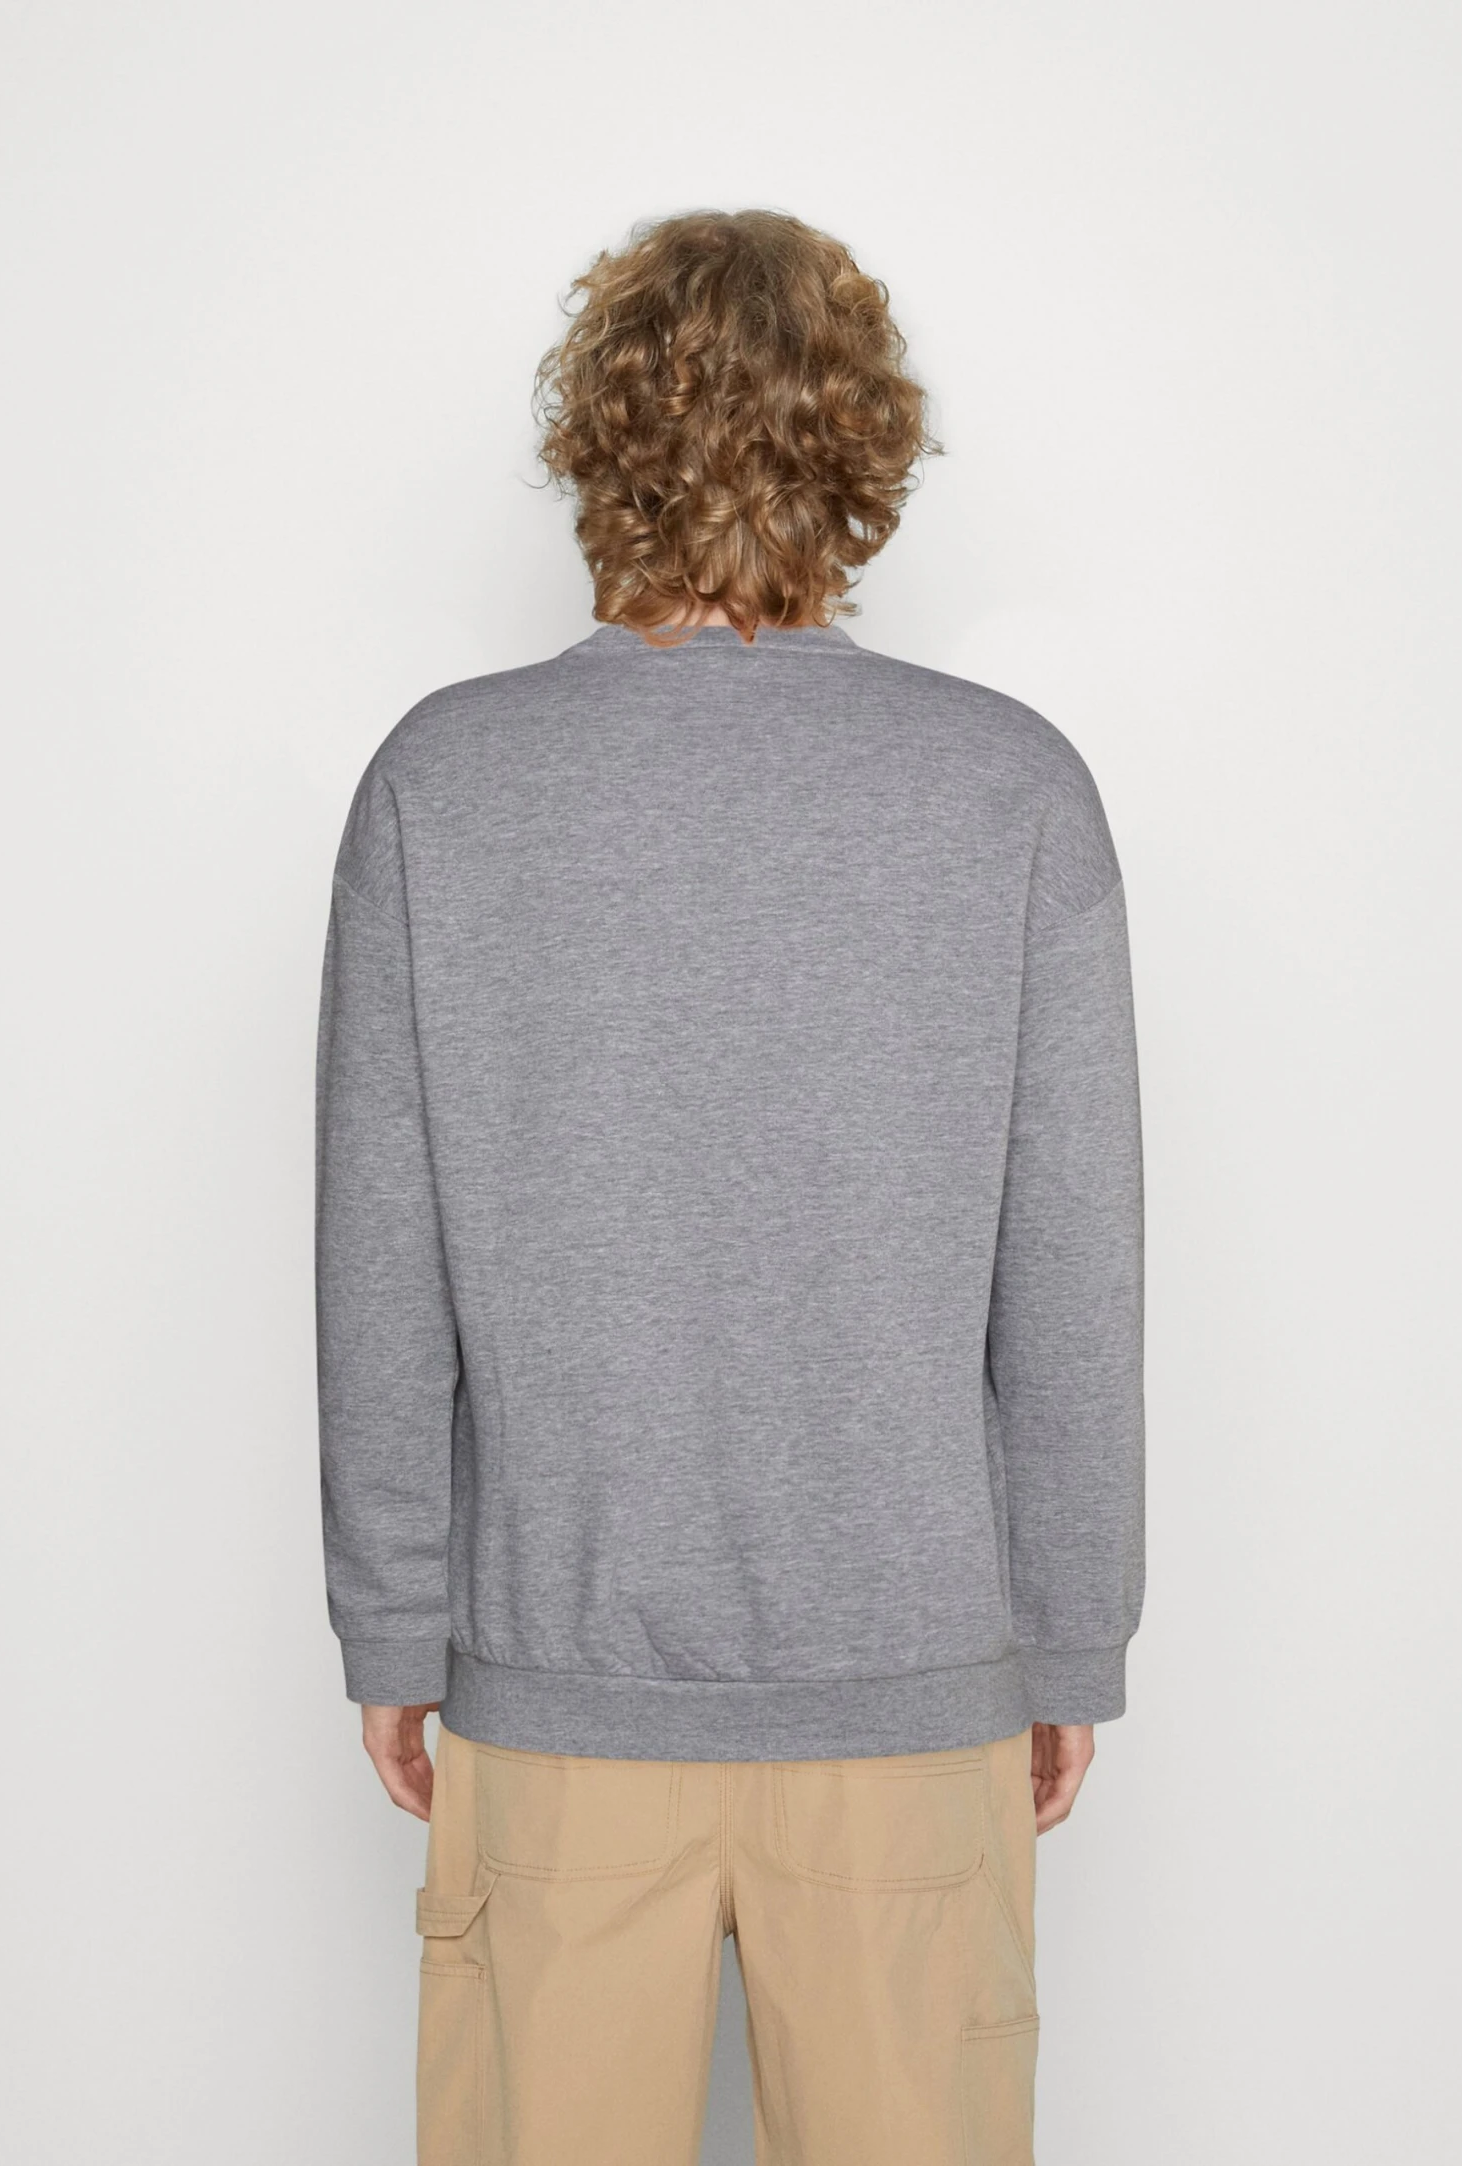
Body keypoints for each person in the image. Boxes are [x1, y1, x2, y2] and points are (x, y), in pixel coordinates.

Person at [314, 207, 1145, 2166]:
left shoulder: (445, 784)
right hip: (910, 1695)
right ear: (859, 443)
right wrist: (1068, 1632)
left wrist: (394, 1627)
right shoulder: (1009, 789)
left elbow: (378, 1261)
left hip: (556, 1694)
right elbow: (1075, 1275)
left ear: (600, 437)